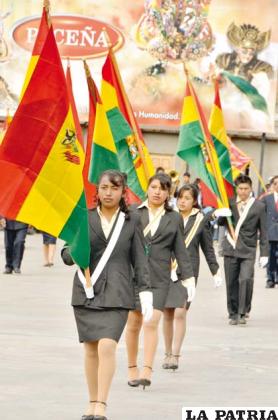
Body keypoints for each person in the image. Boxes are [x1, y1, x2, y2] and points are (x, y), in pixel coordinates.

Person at [61, 170, 152, 420]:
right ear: (97, 191)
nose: (108, 193)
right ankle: (91, 402)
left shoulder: (131, 220)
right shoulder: (84, 218)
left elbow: (140, 258)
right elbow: (68, 252)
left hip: (118, 292)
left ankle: (102, 403)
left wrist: (145, 290)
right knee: (90, 350)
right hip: (86, 291)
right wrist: (70, 254)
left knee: (107, 345)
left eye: (114, 188)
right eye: (104, 187)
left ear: (123, 192)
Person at [125, 172, 195, 389]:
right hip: (133, 277)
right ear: (147, 188)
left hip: (159, 279)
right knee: (134, 323)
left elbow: (180, 250)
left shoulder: (173, 217)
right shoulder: (133, 212)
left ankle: (147, 369)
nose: (157, 192)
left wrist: (188, 277)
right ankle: (132, 368)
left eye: (163, 189)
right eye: (154, 187)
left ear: (168, 194)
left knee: (151, 321)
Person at [163, 184, 225, 370]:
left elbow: (207, 248)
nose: (183, 201)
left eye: (187, 198)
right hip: (166, 269)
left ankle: (175, 355)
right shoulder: (168, 216)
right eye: (180, 197)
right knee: (167, 313)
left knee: (180, 313)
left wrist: (215, 270)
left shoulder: (200, 220)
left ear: (194, 201)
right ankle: (166, 352)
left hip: (188, 272)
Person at [218, 175, 268, 325]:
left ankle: (242, 311)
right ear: (236, 188)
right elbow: (221, 223)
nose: (243, 191)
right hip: (231, 247)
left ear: (251, 188)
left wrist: (264, 254)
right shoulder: (230, 202)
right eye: (240, 188)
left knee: (246, 279)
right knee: (231, 281)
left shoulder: (259, 206)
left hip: (248, 249)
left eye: (246, 188)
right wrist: (222, 213)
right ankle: (233, 312)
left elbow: (263, 231)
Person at [261, 175, 278, 288]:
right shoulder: (267, 199)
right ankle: (270, 278)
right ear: (272, 185)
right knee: (271, 257)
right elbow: (261, 215)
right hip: (270, 232)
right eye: (275, 183)